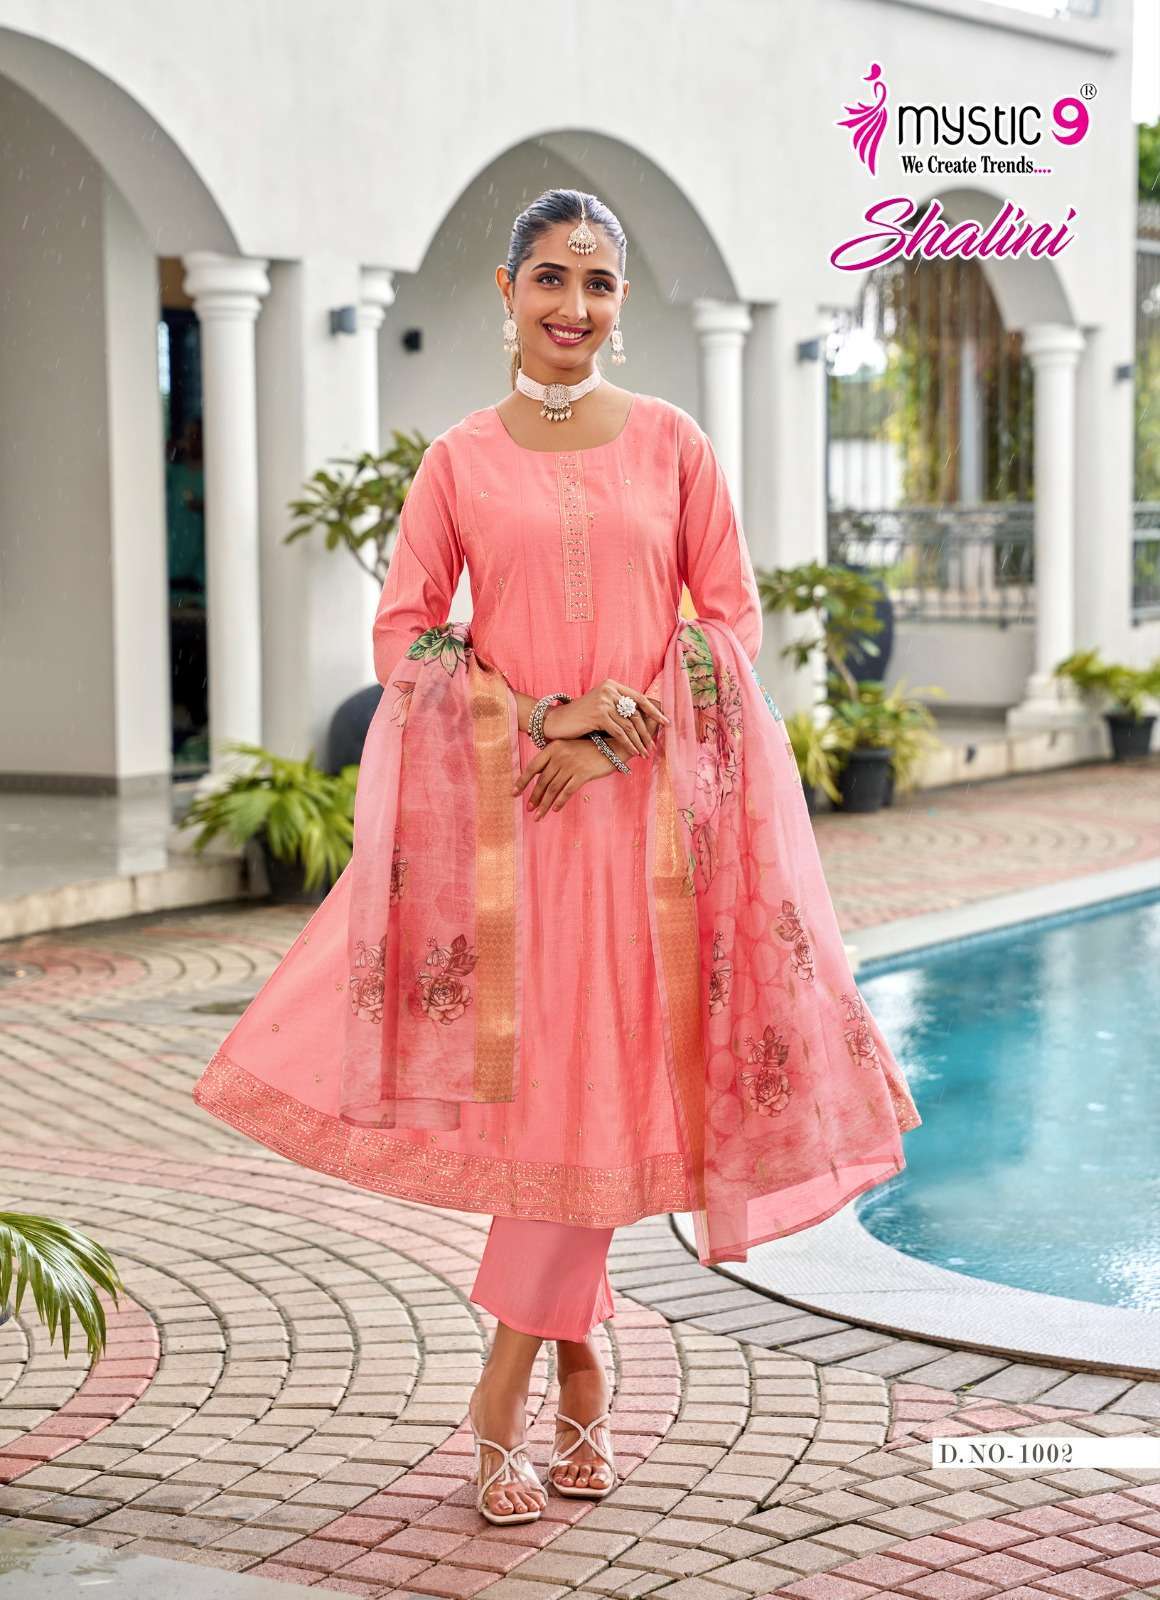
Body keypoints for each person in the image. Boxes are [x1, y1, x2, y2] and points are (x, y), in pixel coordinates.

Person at [192, 187, 921, 1528]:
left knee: (590, 1105)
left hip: (650, 833)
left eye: (597, 282)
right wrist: (540, 720)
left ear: (621, 301)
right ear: (507, 290)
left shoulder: (675, 444)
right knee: (561, 1115)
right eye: (549, 278)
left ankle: (508, 1394)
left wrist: (622, 728)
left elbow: (730, 621)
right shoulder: (459, 461)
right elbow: (407, 636)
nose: (572, 306)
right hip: (513, 829)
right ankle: (573, 1376)